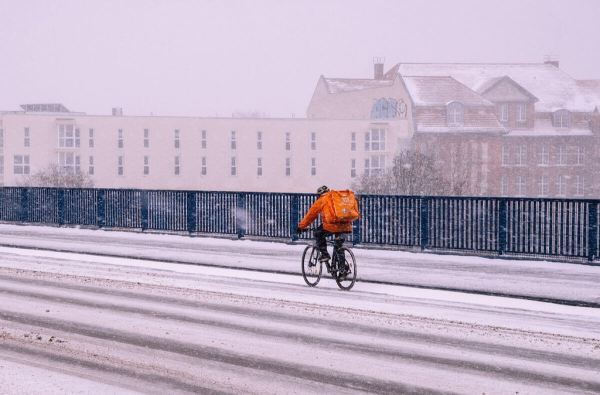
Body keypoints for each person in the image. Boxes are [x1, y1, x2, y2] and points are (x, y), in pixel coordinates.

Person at [297, 185, 356, 271]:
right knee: (338, 245)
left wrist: (301, 227)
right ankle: (343, 269)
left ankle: (325, 254)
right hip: (346, 226)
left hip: (332, 225)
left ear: (319, 195)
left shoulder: (322, 200)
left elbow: (311, 215)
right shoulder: (337, 198)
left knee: (318, 233)